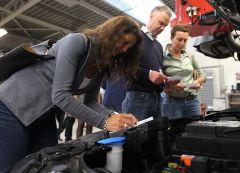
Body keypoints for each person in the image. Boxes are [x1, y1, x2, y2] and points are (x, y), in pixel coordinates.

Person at [0, 15, 142, 172]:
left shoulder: (102, 63)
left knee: (51, 163)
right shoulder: (77, 42)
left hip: (42, 114)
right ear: (111, 34)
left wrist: (117, 117)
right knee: (9, 167)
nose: (125, 49)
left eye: (129, 47)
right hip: (11, 106)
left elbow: (90, 102)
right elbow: (60, 96)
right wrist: (106, 122)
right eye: (124, 42)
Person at [122, 6, 172, 120]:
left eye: (165, 25)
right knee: (136, 135)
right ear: (151, 16)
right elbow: (124, 66)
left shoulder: (159, 46)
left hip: (157, 99)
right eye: (161, 23)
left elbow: (157, 70)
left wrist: (165, 81)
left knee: (157, 136)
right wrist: (148, 74)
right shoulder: (135, 37)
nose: (162, 28)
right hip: (138, 98)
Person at [162, 24, 206, 119]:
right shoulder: (162, 57)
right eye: (179, 39)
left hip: (192, 101)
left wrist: (197, 82)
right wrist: (172, 87)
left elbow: (203, 75)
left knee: (194, 129)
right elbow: (159, 81)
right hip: (172, 103)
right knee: (174, 130)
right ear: (171, 38)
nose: (182, 43)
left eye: (185, 40)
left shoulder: (190, 57)